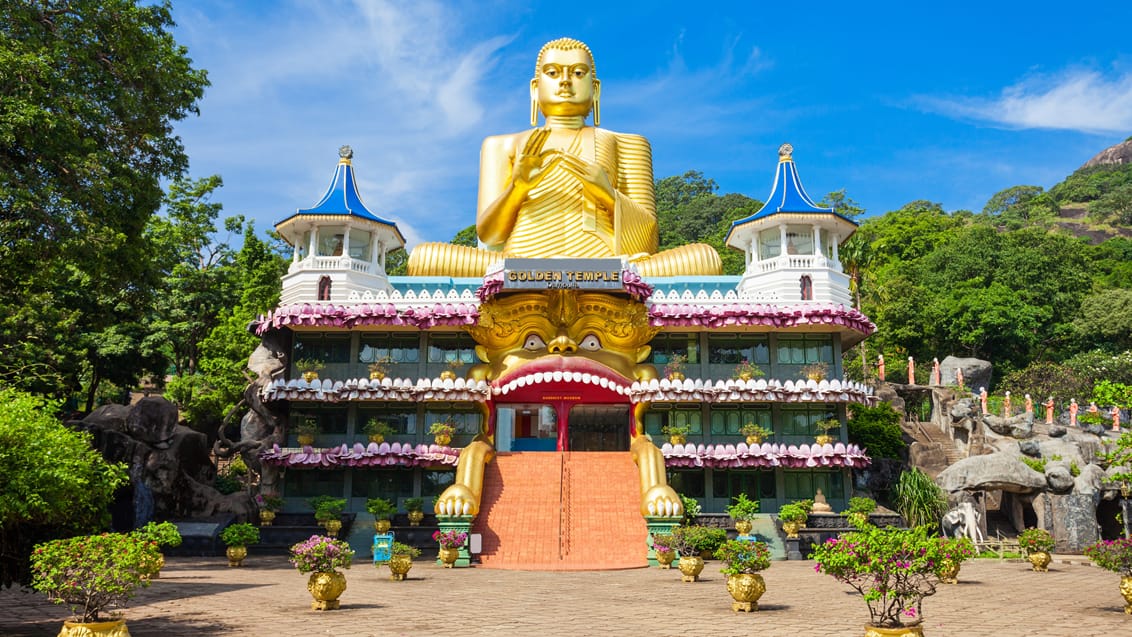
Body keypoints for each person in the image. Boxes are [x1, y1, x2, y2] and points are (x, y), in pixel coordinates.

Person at [408, 38, 721, 277]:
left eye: (578, 73)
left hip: (607, 265)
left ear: (595, 89)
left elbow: (647, 242)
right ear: (535, 88)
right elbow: (489, 234)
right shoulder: (502, 145)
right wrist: (517, 187)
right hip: (518, 264)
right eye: (553, 72)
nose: (566, 81)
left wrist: (607, 194)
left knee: (704, 258)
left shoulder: (625, 143)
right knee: (424, 258)